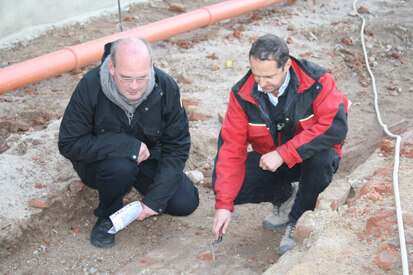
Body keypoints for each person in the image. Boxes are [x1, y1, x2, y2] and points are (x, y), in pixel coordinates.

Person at [211, 34, 348, 255]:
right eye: (256, 75)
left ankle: (299, 218)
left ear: (286, 65)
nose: (261, 84)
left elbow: (335, 127)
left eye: (268, 77)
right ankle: (284, 194)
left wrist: (285, 153)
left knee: (323, 158)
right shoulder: (242, 94)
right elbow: (230, 149)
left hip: (308, 158)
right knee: (224, 184)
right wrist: (224, 206)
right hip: (272, 163)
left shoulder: (317, 81)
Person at [58, 37, 199, 248]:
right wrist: (126, 146)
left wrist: (154, 201)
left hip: (149, 156)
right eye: (125, 78)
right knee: (121, 167)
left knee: (185, 203)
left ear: (151, 66)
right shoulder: (90, 85)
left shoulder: (166, 86)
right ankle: (108, 215)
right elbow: (69, 143)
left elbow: (176, 147)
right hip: (103, 164)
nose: (134, 87)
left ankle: (149, 188)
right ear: (111, 67)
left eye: (142, 78)